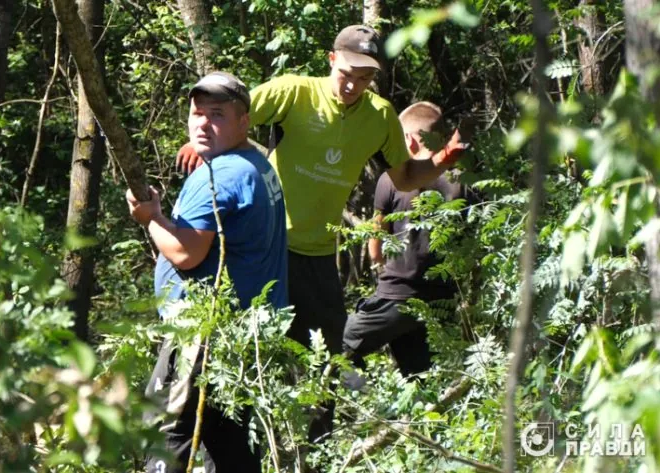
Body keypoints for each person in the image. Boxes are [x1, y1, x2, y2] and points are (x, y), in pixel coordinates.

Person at [175, 25, 468, 447]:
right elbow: (230, 116)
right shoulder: (295, 92)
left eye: (364, 77)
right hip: (264, 248)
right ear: (332, 59)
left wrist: (441, 160)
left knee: (326, 363)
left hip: (317, 256)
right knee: (245, 355)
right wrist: (200, 139)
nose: (352, 84)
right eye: (347, 72)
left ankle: (313, 453)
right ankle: (228, 449)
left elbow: (405, 178)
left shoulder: (380, 116)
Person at [128, 71, 288, 473]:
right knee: (227, 439)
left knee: (169, 433)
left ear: (243, 121)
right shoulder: (256, 162)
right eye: (197, 113)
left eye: (216, 115)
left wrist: (149, 218)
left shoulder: (220, 175)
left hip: (204, 334)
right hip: (242, 333)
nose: (202, 123)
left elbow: (186, 252)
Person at [343, 101, 470, 377]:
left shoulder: (393, 179)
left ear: (410, 141)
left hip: (397, 296)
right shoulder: (463, 180)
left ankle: (355, 398)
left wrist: (381, 271)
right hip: (442, 300)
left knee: (336, 346)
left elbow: (375, 246)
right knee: (426, 379)